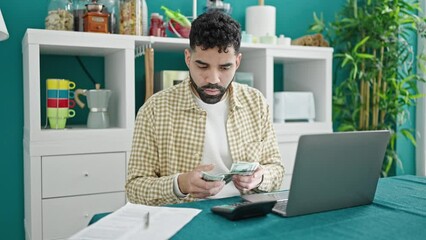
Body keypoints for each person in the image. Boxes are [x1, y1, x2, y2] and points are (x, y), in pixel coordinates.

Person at [126, 10, 284, 206]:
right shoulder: (155, 109)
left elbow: (276, 169)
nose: (213, 79)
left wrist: (260, 178)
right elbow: (134, 188)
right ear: (187, 58)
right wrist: (180, 184)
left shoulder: (256, 102)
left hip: (245, 210)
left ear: (237, 62)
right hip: (185, 215)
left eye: (225, 68)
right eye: (202, 66)